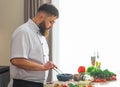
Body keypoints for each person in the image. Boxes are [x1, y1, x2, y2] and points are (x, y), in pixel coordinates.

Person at [8, 3, 59, 87]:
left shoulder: (40, 34)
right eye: (51, 22)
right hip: (23, 84)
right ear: (41, 16)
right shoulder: (23, 32)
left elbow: (35, 59)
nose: (52, 26)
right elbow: (17, 60)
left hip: (38, 84)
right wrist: (42, 67)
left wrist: (46, 64)